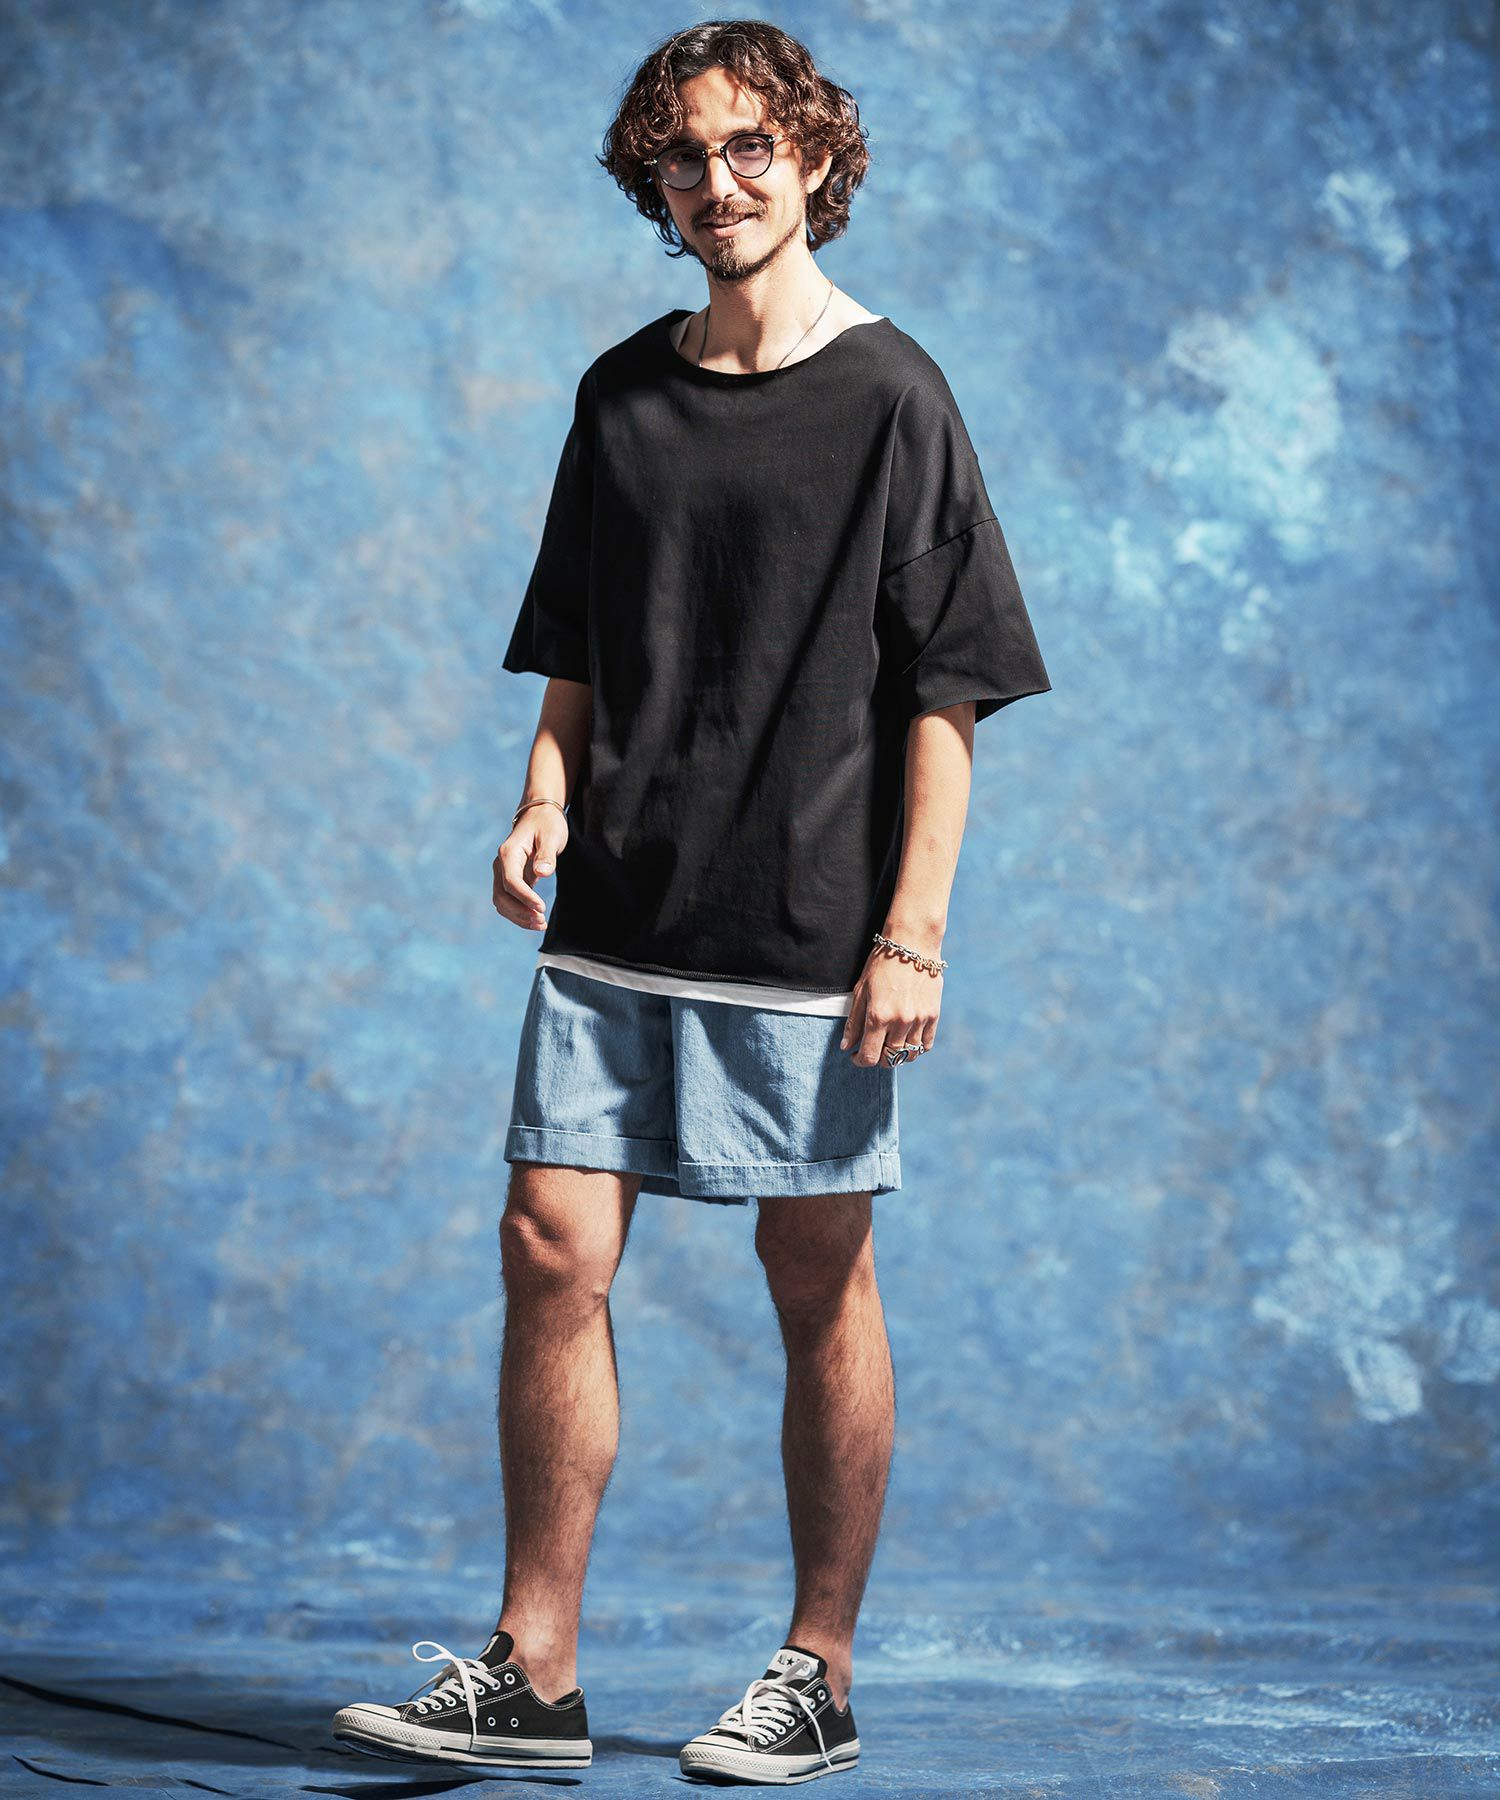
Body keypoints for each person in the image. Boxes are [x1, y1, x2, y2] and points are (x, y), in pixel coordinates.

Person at [331, 19, 1050, 1785]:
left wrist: (914, 930)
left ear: (814, 160)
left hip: (808, 927)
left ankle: (819, 1671)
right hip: (618, 916)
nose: (716, 184)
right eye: (682, 157)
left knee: (815, 1273)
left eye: (748, 148)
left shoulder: (894, 397)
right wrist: (541, 796)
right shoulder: (619, 395)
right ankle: (535, 1672)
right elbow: (576, 644)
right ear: (651, 182)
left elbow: (946, 697)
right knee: (547, 1249)